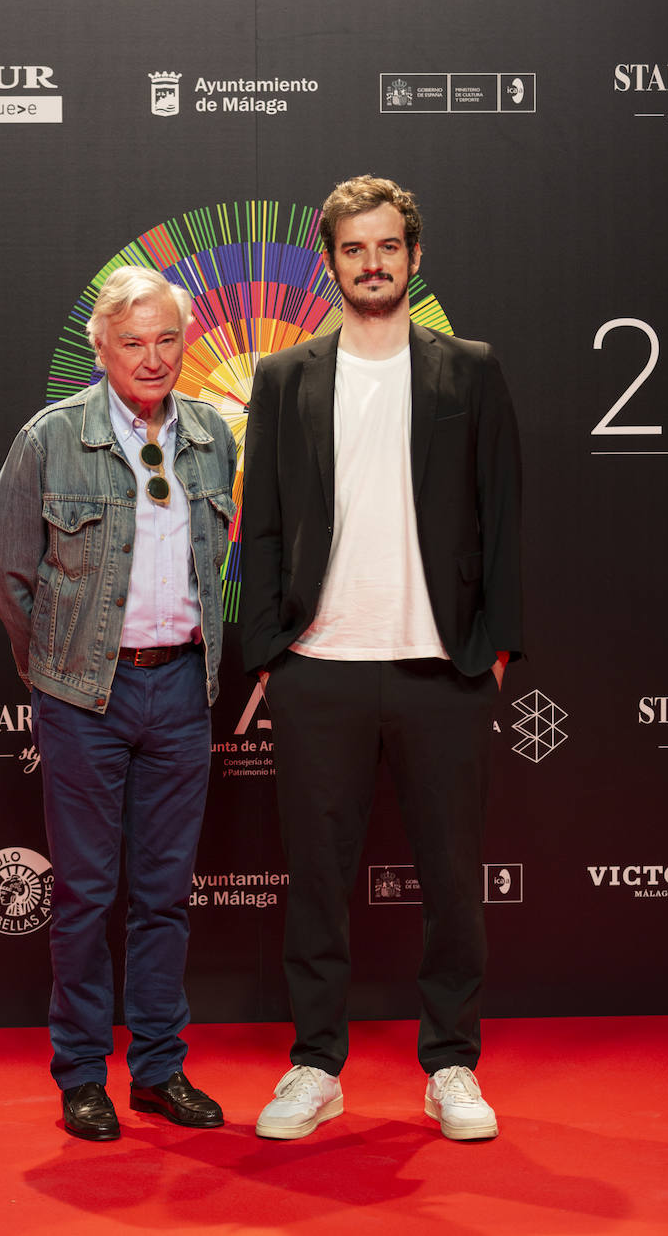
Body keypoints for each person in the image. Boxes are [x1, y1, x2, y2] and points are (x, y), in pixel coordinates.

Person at [240, 175, 522, 1142]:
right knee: (316, 879)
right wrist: (271, 651)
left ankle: (452, 1064)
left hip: (439, 665)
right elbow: (262, 529)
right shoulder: (284, 378)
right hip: (319, 664)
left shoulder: (469, 369)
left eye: (388, 247)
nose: (372, 263)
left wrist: (498, 645)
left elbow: (504, 513)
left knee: (452, 879)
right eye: (354, 249)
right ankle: (316, 1064)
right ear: (330, 262)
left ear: (413, 256)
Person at [0, 266, 237, 1141]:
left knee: (164, 893)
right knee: (87, 893)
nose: (153, 357)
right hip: (85, 696)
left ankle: (159, 1070)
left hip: (182, 687)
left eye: (167, 339)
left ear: (185, 343)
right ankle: (82, 1074)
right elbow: (5, 568)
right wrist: (53, 665)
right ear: (102, 348)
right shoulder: (51, 437)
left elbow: (221, 565)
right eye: (133, 341)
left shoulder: (211, 437)